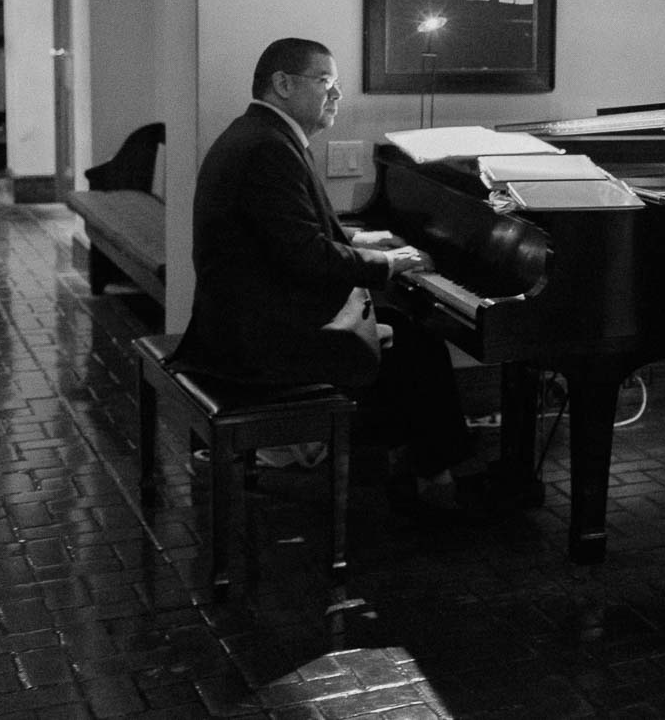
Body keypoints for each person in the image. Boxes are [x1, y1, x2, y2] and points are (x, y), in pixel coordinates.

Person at [178, 37, 477, 516]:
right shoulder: (268, 148)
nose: (337, 96)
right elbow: (305, 257)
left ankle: (413, 462)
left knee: (402, 335)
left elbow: (286, 234)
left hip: (242, 321)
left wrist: (361, 244)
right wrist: (390, 264)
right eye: (326, 83)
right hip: (260, 343)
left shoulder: (259, 135)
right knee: (420, 347)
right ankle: (436, 482)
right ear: (282, 84)